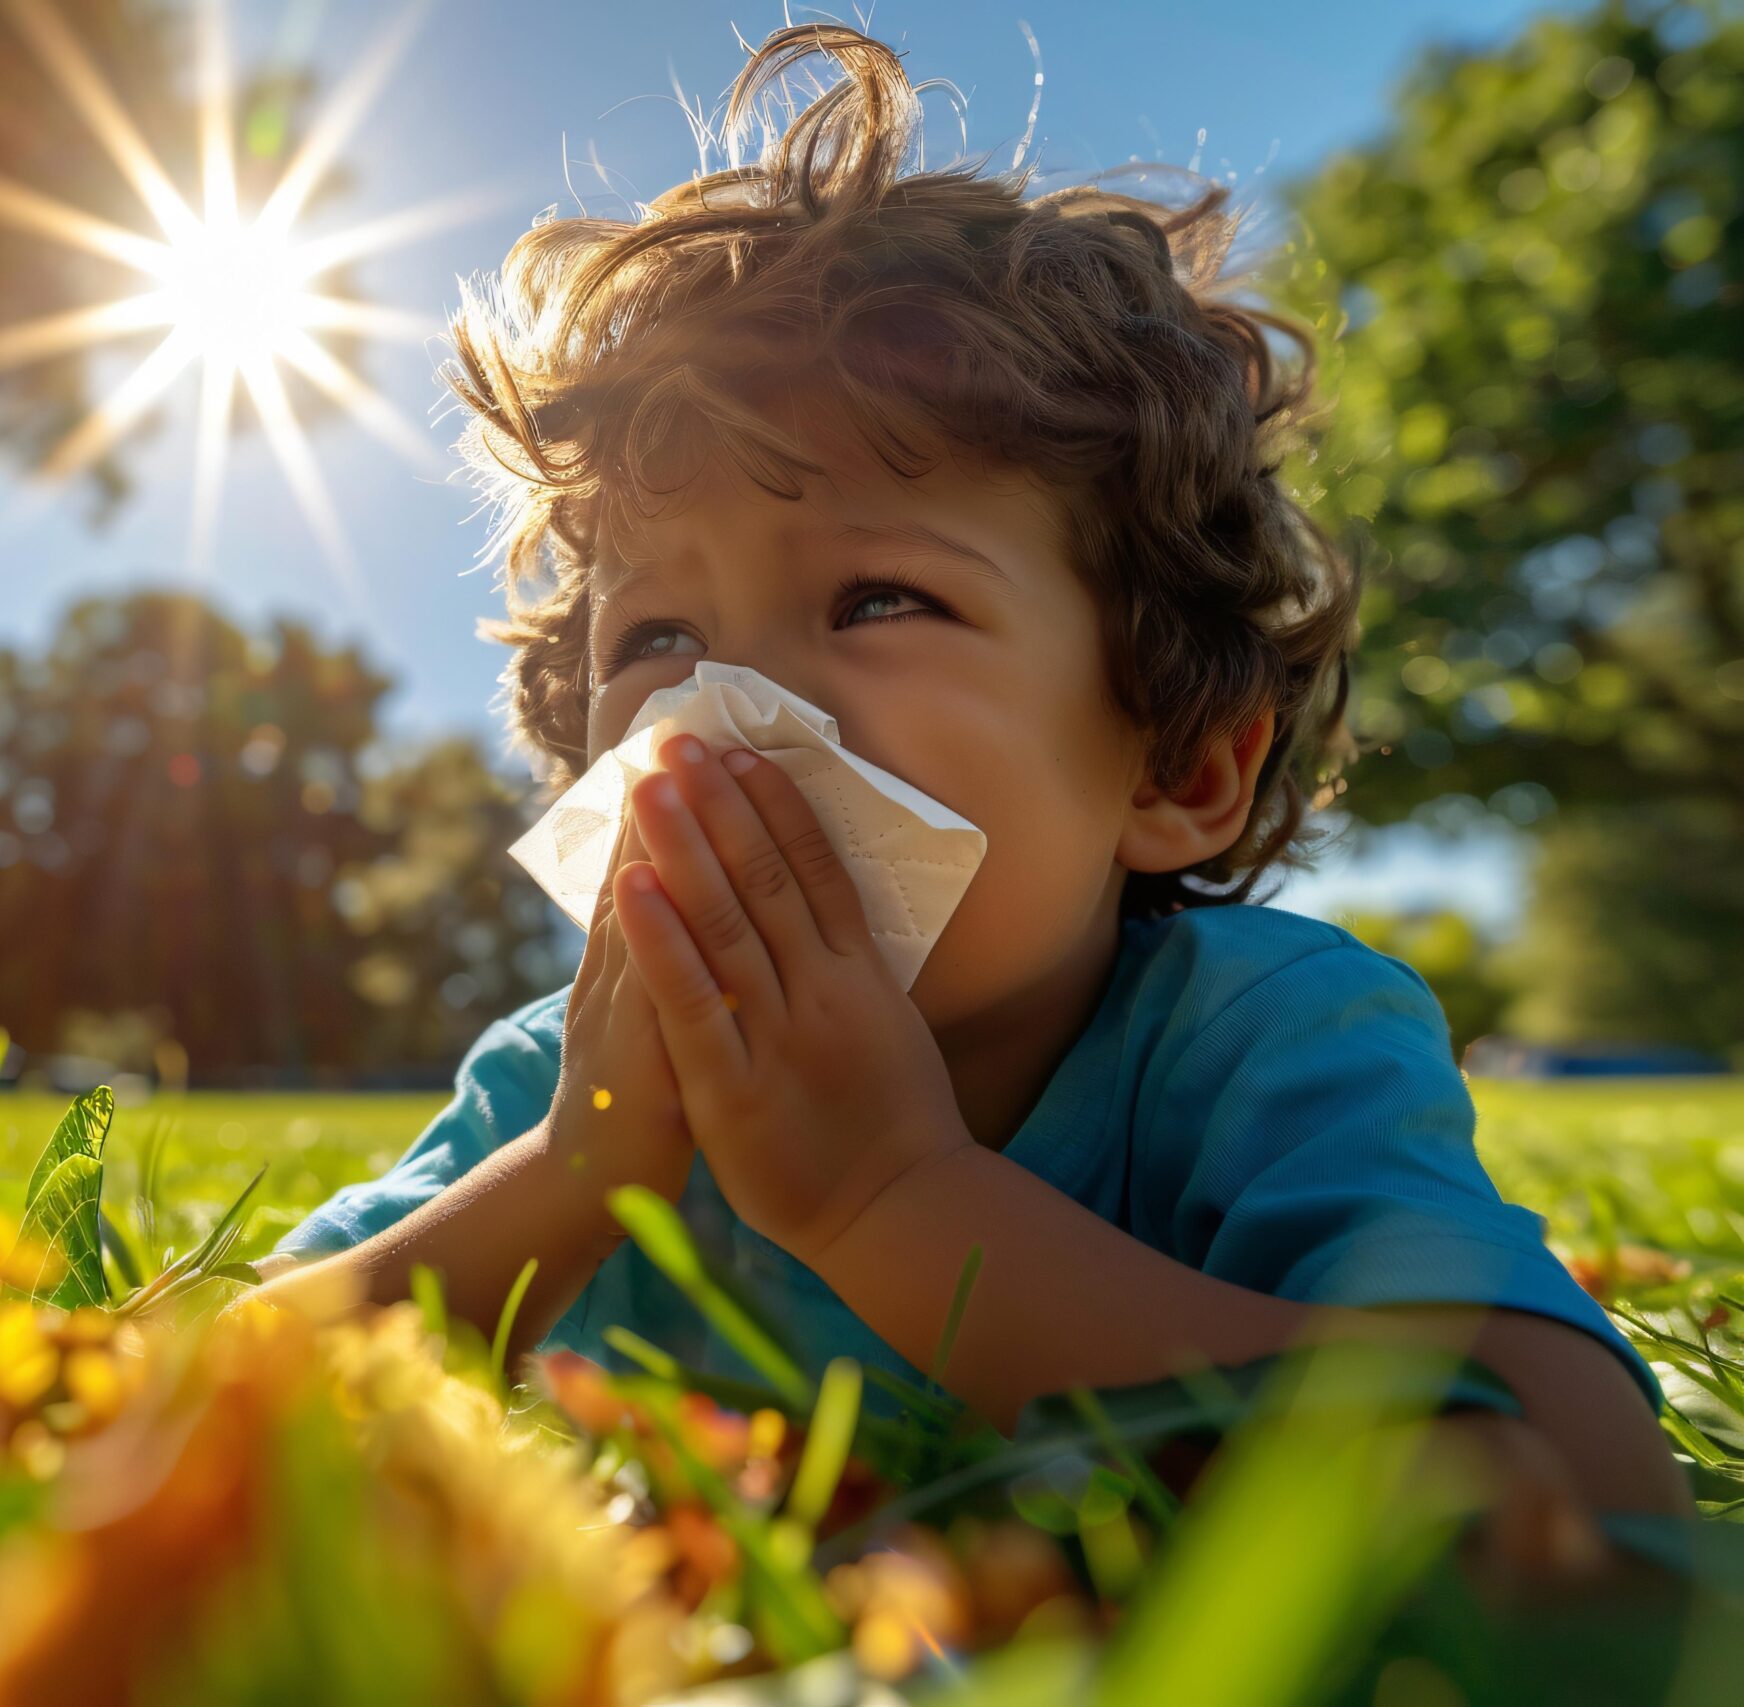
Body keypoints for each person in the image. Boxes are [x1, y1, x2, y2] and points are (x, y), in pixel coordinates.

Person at [254, 22, 1683, 1522]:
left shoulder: (1263, 1042)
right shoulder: (565, 1083)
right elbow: (199, 1407)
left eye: (880, 600)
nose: (729, 704)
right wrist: (569, 1173)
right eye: (657, 635)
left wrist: (897, 1204)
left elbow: (1574, 1495)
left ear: (1178, 768)